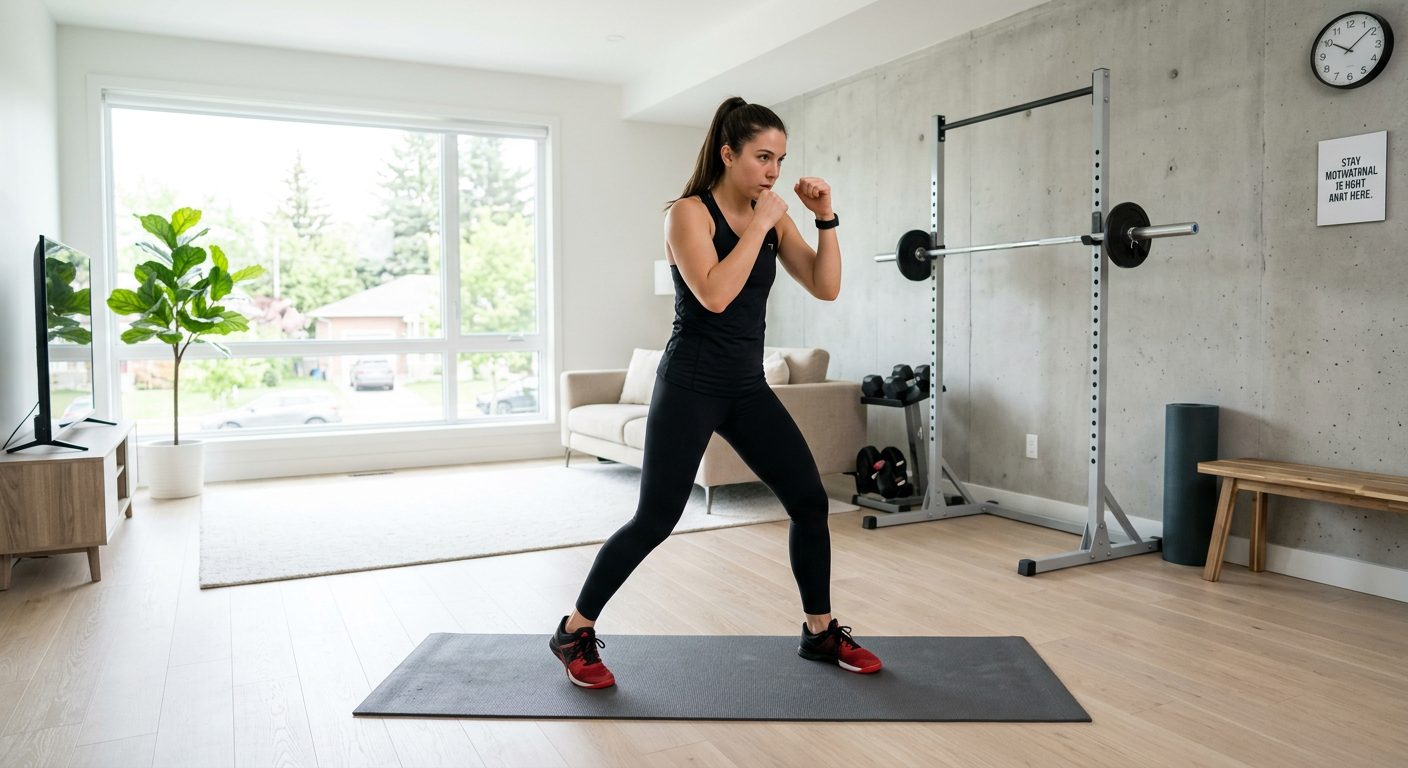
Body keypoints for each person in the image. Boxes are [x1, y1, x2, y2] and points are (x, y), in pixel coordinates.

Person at [549, 96, 882, 689]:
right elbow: (715, 295)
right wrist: (761, 223)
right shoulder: (688, 214)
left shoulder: (772, 215)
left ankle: (819, 630)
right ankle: (574, 630)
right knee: (656, 517)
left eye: (779, 158)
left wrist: (825, 217)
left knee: (809, 502)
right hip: (691, 385)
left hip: (746, 388)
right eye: (762, 157)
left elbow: (825, 287)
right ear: (728, 155)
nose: (773, 171)